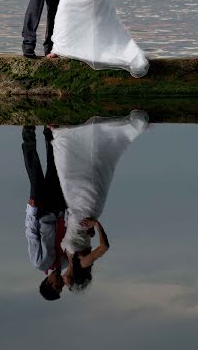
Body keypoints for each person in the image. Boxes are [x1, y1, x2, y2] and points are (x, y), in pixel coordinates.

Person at [51, 111, 148, 292]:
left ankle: (62, 132)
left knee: (68, 172)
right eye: (67, 285)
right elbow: (104, 247)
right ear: (73, 279)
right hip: (86, 207)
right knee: (81, 172)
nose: (64, 284)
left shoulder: (68, 258)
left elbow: (80, 238)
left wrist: (89, 233)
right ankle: (72, 133)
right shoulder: (83, 262)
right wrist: (96, 224)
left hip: (74, 208)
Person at [22, 125, 67, 301]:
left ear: (48, 282)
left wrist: (31, 210)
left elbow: (31, 234)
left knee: (35, 171)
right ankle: (50, 130)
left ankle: (28, 131)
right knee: (55, 168)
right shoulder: (64, 263)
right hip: (58, 211)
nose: (61, 284)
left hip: (41, 211)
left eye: (58, 287)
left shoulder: (39, 263)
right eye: (61, 288)